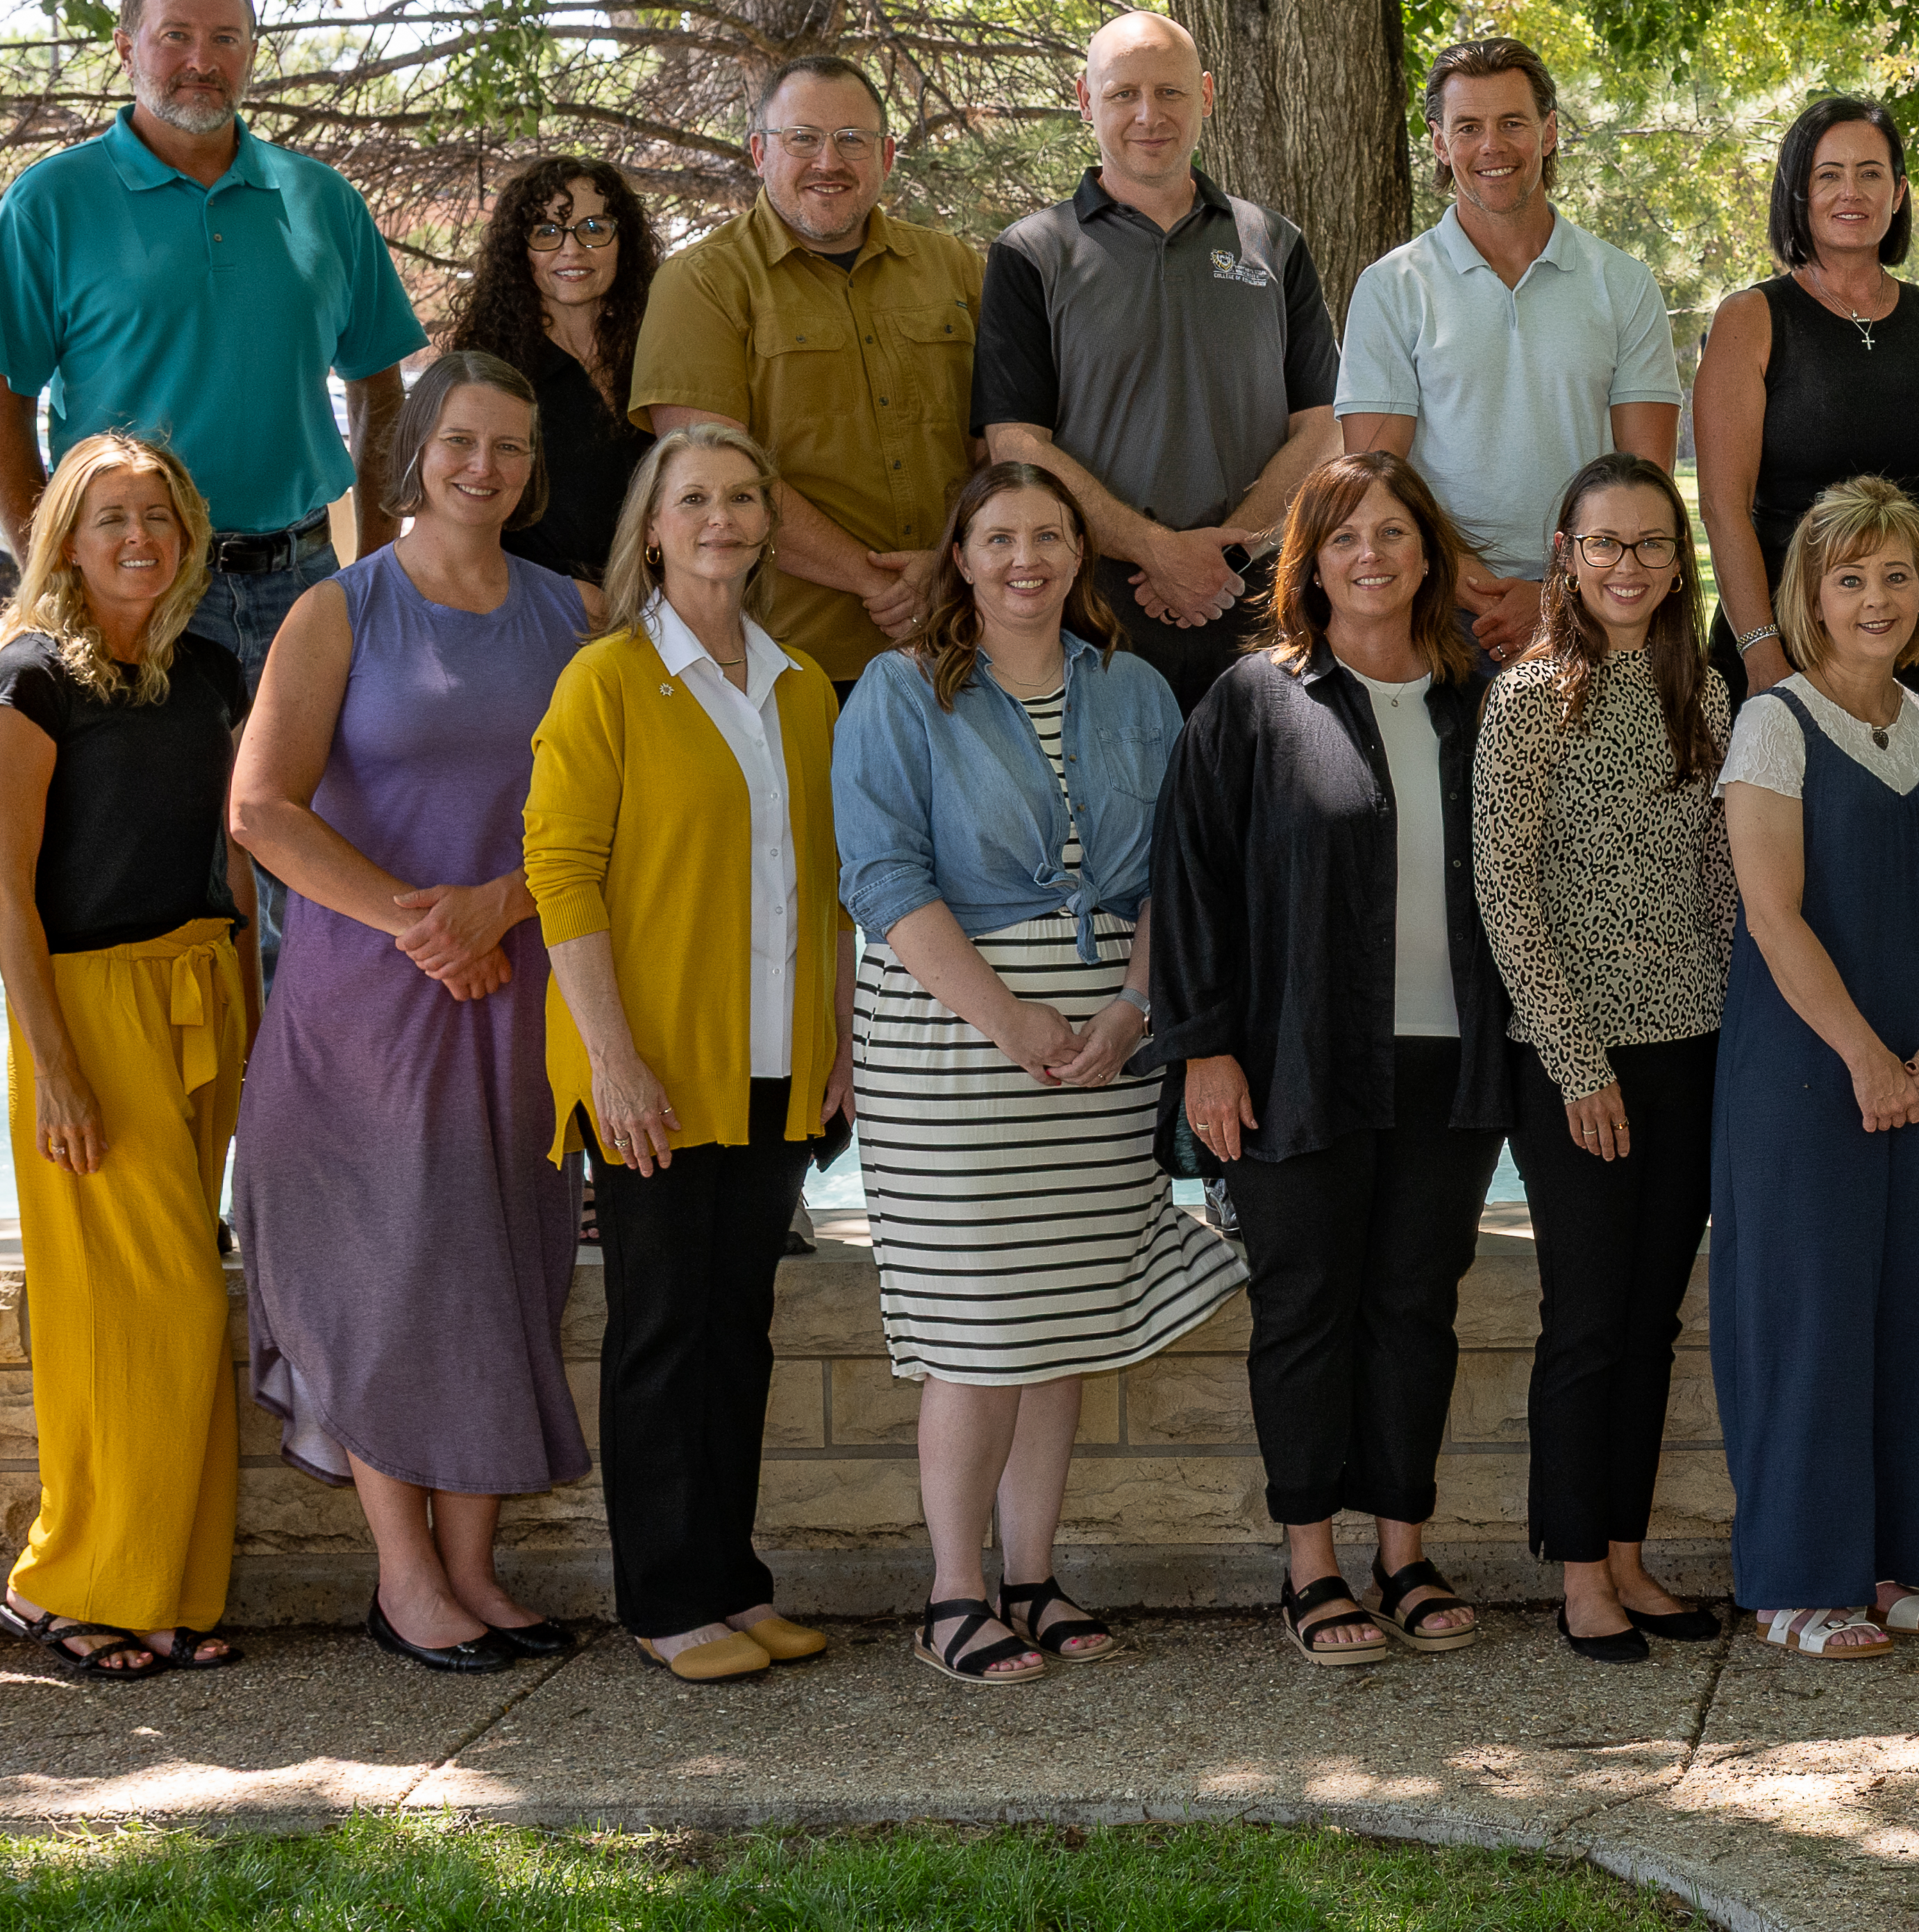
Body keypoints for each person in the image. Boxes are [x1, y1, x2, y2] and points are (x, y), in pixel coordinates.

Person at [228, 352, 598, 1673]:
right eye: (459, 442)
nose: (482, 468)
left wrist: (496, 905)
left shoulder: (579, 616)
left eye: (507, 447)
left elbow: (610, 814)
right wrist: (416, 920)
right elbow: (260, 807)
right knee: (386, 1275)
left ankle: (477, 1568)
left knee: (501, 1264)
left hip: (519, 992)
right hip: (367, 1005)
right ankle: (404, 1578)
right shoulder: (340, 612)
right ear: (416, 451)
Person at [833, 462, 1226, 1687]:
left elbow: (1176, 868)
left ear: (1078, 554)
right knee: (976, 1324)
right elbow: (885, 880)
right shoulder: (900, 694)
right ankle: (953, 1593)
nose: (1025, 558)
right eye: (998, 536)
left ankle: (1031, 1574)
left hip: (1102, 1044)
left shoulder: (1139, 690)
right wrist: (1010, 1018)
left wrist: (1132, 1009)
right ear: (960, 555)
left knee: (1059, 1326)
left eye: (1048, 535)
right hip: (954, 1044)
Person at [1164, 449, 1527, 1668]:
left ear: (1427, 547)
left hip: (1452, 1062)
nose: (1368, 554)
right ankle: (1311, 1563)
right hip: (1296, 1059)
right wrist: (1206, 1049)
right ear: (1307, 563)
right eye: (1340, 538)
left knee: (1415, 1307)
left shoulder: (1480, 695)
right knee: (1306, 1306)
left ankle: (1404, 1549)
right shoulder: (1253, 702)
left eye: (1390, 531)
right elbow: (1192, 883)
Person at [525, 423, 853, 1683]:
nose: (720, 517)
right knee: (664, 1331)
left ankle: (729, 1578)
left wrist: (841, 1044)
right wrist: (610, 1059)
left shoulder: (802, 685)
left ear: (767, 522)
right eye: (694, 499)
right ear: (652, 529)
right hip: (651, 1065)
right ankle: (665, 1597)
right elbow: (561, 874)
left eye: (741, 498)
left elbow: (824, 887)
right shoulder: (604, 682)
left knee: (739, 1327)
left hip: (774, 1062)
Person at [0, 436, 256, 1679]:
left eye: (158, 515)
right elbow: (4, 888)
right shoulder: (28, 679)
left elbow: (237, 851)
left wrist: (258, 1009)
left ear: (188, 531)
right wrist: (59, 1068)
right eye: (109, 519)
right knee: (151, 1309)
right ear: (66, 541)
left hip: (203, 988)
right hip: (89, 1013)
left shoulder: (208, 667)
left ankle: (166, 1591)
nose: (137, 537)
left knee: (176, 1299)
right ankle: (67, 1579)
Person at [1711, 478, 1919, 1661]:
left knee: (1909, 1312)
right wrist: (1866, 1056)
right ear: (1809, 597)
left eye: (1894, 575)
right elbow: (1772, 916)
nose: (1875, 598)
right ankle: (1792, 1579)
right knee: (1807, 1313)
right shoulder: (1772, 722)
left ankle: (1889, 1563)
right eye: (1849, 578)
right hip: (1806, 1071)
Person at [0, 0, 425, 667]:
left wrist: (374, 565)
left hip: (305, 580)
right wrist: (51, 574)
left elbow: (379, 391)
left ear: (251, 52)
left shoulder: (322, 199)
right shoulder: (51, 202)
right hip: (133, 586)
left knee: (301, 785)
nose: (201, 60)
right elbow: (0, 402)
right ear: (126, 47)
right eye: (175, 35)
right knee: (153, 786)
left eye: (225, 38)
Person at [1471, 452, 1739, 1661]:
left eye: (1648, 543)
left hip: (1691, 1040)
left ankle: (1629, 1554)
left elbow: (1723, 878)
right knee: (1585, 1315)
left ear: (1674, 562)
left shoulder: (1705, 692)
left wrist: (1741, 1027)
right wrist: (1577, 1062)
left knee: (1651, 1317)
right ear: (1565, 560)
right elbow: (1503, 888)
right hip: (1575, 1055)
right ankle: (1578, 1568)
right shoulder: (1531, 696)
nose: (1626, 565)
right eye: (1602, 543)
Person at [972, 13, 1342, 707]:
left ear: (1205, 96)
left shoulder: (1273, 242)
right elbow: (1014, 443)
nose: (1149, 115)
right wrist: (1155, 550)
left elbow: (1324, 425)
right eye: (1123, 94)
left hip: (1261, 615)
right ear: (1086, 100)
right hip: (1093, 621)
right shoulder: (1031, 253)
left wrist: (1234, 552)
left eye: (1170, 93)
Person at [637, 52, 988, 688]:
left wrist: (952, 568)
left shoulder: (955, 267)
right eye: (802, 139)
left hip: (965, 638)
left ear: (885, 158)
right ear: (758, 152)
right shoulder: (703, 283)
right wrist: (876, 580)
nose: (828, 162)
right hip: (790, 662)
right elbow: (709, 475)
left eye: (853, 140)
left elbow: (1001, 440)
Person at [1344, 35, 1684, 662]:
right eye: (1468, 127)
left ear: (1549, 132)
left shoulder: (1623, 283)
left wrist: (1555, 593)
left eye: (1512, 123)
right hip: (1438, 612)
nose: (1491, 146)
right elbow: (1376, 480)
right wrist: (1473, 582)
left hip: (1598, 607)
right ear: (1441, 144)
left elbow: (1645, 485)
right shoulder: (1392, 287)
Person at [1699, 95, 1919, 703]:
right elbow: (1721, 507)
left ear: (1898, 192)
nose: (1852, 192)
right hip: (1796, 635)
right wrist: (1760, 649)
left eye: (1871, 173)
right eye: (1828, 175)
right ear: (1797, 194)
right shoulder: (1751, 321)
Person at [446, 156, 665, 587]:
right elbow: (459, 522)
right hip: (546, 617)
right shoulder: (486, 373)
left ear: (625, 242)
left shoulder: (664, 349)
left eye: (594, 229)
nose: (571, 249)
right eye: (546, 232)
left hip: (673, 608)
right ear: (519, 251)